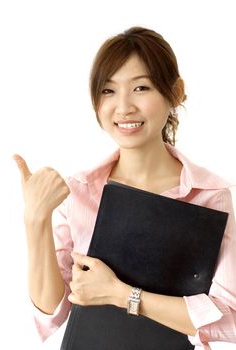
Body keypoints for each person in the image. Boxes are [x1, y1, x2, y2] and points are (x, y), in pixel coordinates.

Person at [14, 27, 236, 348]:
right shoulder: (79, 190)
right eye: (108, 91)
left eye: (141, 88)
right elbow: (52, 309)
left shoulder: (208, 195)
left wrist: (123, 295)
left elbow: (227, 315)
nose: (123, 107)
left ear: (175, 93)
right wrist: (35, 221)